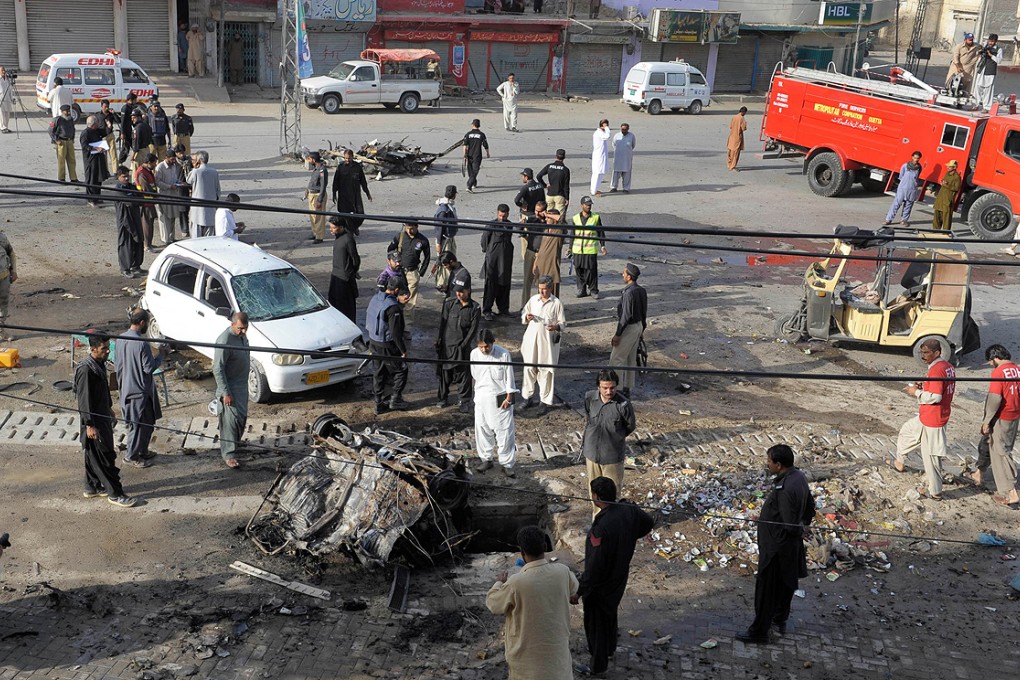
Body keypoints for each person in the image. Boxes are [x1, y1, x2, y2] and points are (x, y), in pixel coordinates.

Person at [572, 476, 653, 676]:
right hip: (619, 576)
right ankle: (609, 648)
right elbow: (648, 522)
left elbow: (593, 567)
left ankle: (597, 665)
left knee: (596, 624)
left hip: (601, 583)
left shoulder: (601, 527)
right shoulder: (629, 511)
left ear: (596, 497)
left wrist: (579, 591)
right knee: (610, 612)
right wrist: (629, 537)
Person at [735, 445, 815, 644]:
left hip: (777, 548)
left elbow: (788, 525)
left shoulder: (785, 488)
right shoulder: (799, 477)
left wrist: (800, 529)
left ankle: (759, 631)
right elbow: (810, 507)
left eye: (769, 461)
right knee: (785, 584)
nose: (767, 464)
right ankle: (779, 620)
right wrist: (804, 524)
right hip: (787, 546)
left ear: (779, 465)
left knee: (767, 590)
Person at [485, 525, 578, 680]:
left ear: (522, 553)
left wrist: (499, 584)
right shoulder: (562, 571)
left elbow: (493, 604)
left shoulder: (516, 583)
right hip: (557, 661)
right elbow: (574, 589)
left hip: (526, 664)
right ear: (544, 547)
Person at [74, 333, 137, 507]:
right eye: (104, 349)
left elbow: (103, 391)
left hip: (102, 416)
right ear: (92, 349)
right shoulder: (86, 370)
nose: (107, 352)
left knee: (92, 454)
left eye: (108, 348)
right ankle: (115, 493)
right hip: (93, 421)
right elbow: (84, 400)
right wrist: (90, 424)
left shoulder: (99, 364)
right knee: (104, 456)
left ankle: (92, 486)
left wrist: (109, 408)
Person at [891, 338, 956, 500]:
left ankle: (936, 492)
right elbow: (939, 387)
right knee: (907, 432)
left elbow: (936, 396)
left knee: (931, 457)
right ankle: (899, 461)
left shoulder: (937, 370)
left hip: (934, 419)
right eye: (922, 352)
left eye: (926, 352)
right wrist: (924, 385)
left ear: (937, 353)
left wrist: (916, 392)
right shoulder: (947, 367)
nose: (923, 355)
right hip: (927, 416)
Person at [114, 307, 164, 468]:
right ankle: (131, 457)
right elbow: (149, 368)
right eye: (147, 323)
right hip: (139, 392)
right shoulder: (142, 343)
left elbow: (117, 365)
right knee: (137, 426)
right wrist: (161, 354)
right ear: (142, 323)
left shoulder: (120, 339)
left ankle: (142, 450)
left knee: (148, 422)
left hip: (128, 389)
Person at [470, 329, 518, 476]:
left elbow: (510, 378)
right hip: (481, 398)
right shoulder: (474, 354)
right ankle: (486, 459)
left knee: (504, 432)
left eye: (487, 346)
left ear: (492, 343)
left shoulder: (503, 354)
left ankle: (507, 463)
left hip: (500, 399)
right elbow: (475, 377)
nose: (484, 349)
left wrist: (509, 398)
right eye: (481, 346)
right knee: (482, 429)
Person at [980, 344, 1020, 507]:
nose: (990, 364)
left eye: (990, 361)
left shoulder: (998, 372)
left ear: (995, 358)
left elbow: (995, 399)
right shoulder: (1017, 369)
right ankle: (979, 473)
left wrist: (986, 421)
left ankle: (1011, 492)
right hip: (1015, 416)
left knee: (1001, 452)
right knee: (994, 446)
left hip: (1002, 417)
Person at [519, 276, 565, 416]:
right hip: (531, 341)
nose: (542, 292)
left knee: (545, 371)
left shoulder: (556, 303)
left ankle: (544, 401)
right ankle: (527, 397)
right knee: (529, 368)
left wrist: (555, 326)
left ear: (550, 289)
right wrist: (526, 317)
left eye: (544, 289)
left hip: (547, 344)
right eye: (540, 289)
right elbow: (524, 312)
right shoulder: (533, 300)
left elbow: (562, 323)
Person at [366, 275, 410, 413]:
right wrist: (403, 350)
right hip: (386, 344)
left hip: (373, 341)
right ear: (396, 290)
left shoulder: (375, 298)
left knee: (379, 372)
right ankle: (395, 400)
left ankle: (378, 402)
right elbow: (395, 333)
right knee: (401, 370)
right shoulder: (393, 308)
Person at [212, 311, 249, 469]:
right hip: (230, 386)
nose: (244, 331)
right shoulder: (224, 340)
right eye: (240, 328)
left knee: (241, 418)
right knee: (230, 421)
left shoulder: (242, 336)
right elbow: (217, 369)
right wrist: (225, 392)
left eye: (246, 328)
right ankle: (229, 454)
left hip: (242, 386)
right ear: (232, 324)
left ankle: (235, 444)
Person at [436, 283, 480, 411]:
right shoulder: (449, 303)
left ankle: (464, 400)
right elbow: (443, 323)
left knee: (463, 375)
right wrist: (439, 340)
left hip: (462, 348)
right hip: (447, 346)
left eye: (462, 292)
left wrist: (463, 346)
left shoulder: (475, 308)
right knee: (445, 374)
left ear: (468, 291)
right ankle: (442, 398)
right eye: (457, 292)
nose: (459, 294)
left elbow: (473, 330)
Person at [610, 263, 647, 397]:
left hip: (628, 328)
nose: (622, 275)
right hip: (638, 327)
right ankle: (627, 387)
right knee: (631, 359)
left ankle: (617, 389)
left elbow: (625, 316)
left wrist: (617, 335)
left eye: (624, 273)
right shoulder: (641, 290)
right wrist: (642, 330)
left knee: (616, 359)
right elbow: (644, 312)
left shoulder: (628, 293)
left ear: (629, 276)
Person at [566, 196, 606, 299]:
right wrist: (570, 248)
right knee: (579, 270)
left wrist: (603, 246)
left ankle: (593, 290)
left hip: (590, 250)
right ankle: (581, 289)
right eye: (587, 205)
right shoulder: (575, 218)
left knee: (591, 271)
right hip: (577, 250)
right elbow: (572, 234)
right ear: (581, 205)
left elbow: (601, 233)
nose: (588, 207)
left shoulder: (595, 217)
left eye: (590, 205)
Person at [481, 204, 515, 321]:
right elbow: (484, 241)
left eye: (504, 216)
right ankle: (487, 310)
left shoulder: (510, 225)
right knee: (491, 285)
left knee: (504, 284)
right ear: (497, 213)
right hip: (493, 261)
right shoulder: (491, 225)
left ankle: (503, 309)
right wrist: (489, 253)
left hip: (505, 260)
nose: (502, 218)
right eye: (500, 215)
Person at [388, 221, 430, 315]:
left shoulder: (423, 240)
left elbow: (427, 257)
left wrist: (421, 272)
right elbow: (390, 250)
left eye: (411, 228)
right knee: (395, 295)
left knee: (409, 301)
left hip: (412, 272)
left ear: (417, 227)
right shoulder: (400, 237)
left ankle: (407, 325)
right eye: (407, 228)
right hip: (399, 272)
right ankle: (395, 317)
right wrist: (393, 265)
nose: (409, 230)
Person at [331, 148, 371, 235]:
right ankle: (349, 230)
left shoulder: (357, 167)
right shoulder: (340, 167)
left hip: (355, 194)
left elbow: (363, 181)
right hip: (343, 195)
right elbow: (335, 181)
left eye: (349, 158)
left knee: (360, 214)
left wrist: (367, 193)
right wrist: (334, 194)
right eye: (345, 158)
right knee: (344, 215)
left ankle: (354, 227)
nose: (347, 160)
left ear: (352, 157)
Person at [328, 214, 360, 322]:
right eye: (330, 227)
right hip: (336, 276)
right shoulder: (338, 238)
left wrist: (353, 271)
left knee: (347, 307)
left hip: (345, 279)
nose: (331, 230)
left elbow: (355, 259)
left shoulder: (348, 239)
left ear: (341, 227)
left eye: (333, 228)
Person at [114, 166, 144, 278]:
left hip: (135, 218)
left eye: (127, 176)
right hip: (124, 221)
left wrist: (137, 199)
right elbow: (130, 202)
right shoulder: (117, 190)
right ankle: (125, 268)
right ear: (118, 177)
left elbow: (141, 199)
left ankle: (136, 265)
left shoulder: (132, 187)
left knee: (138, 240)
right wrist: (136, 200)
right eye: (124, 176)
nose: (126, 178)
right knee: (125, 244)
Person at [883, 151, 923, 225]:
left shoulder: (919, 167)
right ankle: (888, 219)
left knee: (908, 205)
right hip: (903, 188)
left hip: (912, 189)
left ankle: (904, 220)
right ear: (912, 157)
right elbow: (901, 176)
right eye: (915, 158)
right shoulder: (905, 166)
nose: (916, 160)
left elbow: (917, 177)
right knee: (896, 204)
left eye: (918, 158)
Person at [519, 201, 547, 307]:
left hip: (543, 254)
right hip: (531, 252)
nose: (537, 213)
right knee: (527, 280)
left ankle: (542, 305)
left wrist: (546, 216)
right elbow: (519, 228)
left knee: (542, 281)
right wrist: (525, 235)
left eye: (539, 211)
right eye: (536, 210)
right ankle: (524, 306)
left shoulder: (549, 222)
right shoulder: (531, 219)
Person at [154, 150, 185, 244]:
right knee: (165, 218)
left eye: (174, 159)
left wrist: (179, 183)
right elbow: (158, 182)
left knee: (172, 217)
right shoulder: (160, 167)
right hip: (164, 195)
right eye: (172, 159)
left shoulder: (174, 166)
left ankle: (172, 237)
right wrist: (169, 186)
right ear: (166, 158)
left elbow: (175, 179)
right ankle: (166, 239)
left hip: (174, 195)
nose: (174, 161)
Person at [533, 209, 565, 297]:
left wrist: (547, 214)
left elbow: (561, 219)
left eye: (548, 217)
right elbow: (541, 248)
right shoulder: (546, 231)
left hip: (552, 266)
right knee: (541, 290)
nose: (546, 219)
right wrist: (536, 263)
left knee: (552, 292)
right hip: (541, 266)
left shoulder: (559, 231)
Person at [188, 150, 220, 237]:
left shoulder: (196, 172)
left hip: (198, 208)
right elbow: (218, 190)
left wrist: (194, 167)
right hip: (211, 207)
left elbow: (188, 180)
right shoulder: (214, 171)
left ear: (199, 160)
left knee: (196, 234)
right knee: (209, 235)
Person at [79, 115, 109, 207]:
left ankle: (97, 197)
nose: (98, 125)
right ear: (93, 124)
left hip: (98, 158)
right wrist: (95, 148)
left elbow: (104, 132)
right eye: (96, 123)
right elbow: (84, 146)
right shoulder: (85, 133)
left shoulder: (96, 131)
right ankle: (90, 199)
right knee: (91, 179)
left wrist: (109, 126)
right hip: (90, 160)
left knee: (98, 178)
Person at [434, 185, 459, 292]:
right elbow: (439, 228)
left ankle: (446, 283)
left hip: (449, 238)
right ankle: (442, 284)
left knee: (449, 260)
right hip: (444, 240)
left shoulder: (448, 207)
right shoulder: (443, 210)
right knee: (445, 261)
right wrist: (439, 243)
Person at [537, 149, 570, 222]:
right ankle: (558, 231)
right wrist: (567, 198)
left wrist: (545, 185)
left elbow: (538, 176)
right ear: (564, 157)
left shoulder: (549, 166)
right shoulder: (565, 170)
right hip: (559, 195)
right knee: (559, 217)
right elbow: (566, 186)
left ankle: (549, 230)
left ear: (556, 156)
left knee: (548, 216)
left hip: (550, 194)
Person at [134, 153, 158, 251]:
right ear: (148, 163)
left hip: (150, 201)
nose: (155, 165)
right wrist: (155, 195)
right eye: (154, 163)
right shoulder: (142, 173)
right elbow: (146, 188)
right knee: (146, 224)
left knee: (150, 223)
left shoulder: (147, 171)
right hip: (146, 202)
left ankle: (149, 243)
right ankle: (147, 245)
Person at [50, 104, 78, 182]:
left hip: (69, 141)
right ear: (62, 111)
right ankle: (61, 178)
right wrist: (56, 140)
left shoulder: (70, 119)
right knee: (61, 160)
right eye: (66, 111)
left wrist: (72, 139)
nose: (68, 112)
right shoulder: (57, 120)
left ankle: (73, 178)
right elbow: (50, 130)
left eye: (69, 110)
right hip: (61, 142)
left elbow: (73, 129)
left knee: (72, 160)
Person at [304, 151, 328, 244]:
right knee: (313, 216)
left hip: (318, 195)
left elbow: (323, 185)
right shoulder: (315, 169)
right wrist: (307, 190)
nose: (308, 161)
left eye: (309, 159)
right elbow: (312, 181)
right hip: (312, 194)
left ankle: (319, 236)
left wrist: (320, 199)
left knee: (319, 217)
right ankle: (315, 233)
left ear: (313, 159)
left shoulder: (322, 170)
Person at [973, 34, 1001, 110]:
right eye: (990, 41)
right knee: (978, 88)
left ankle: (986, 107)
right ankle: (975, 105)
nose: (990, 43)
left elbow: (999, 61)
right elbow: (979, 54)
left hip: (990, 71)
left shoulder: (999, 49)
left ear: (995, 41)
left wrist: (991, 55)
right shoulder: (985, 46)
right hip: (982, 70)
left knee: (988, 90)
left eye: (992, 41)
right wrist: (980, 52)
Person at [932, 160, 961, 231]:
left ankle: (946, 232)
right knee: (937, 214)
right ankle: (935, 230)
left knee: (946, 216)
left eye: (949, 166)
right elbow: (945, 182)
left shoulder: (957, 177)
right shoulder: (947, 173)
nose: (947, 168)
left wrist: (947, 185)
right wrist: (943, 182)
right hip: (941, 196)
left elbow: (956, 188)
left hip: (948, 198)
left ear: (954, 167)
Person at [462, 119, 490, 192]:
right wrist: (487, 153)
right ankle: (470, 185)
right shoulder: (482, 134)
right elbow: (485, 145)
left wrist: (464, 155)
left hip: (469, 154)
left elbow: (465, 145)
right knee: (475, 171)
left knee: (470, 170)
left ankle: (472, 183)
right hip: (477, 155)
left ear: (473, 125)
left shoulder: (468, 134)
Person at [0, 229, 18, 341]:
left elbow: (11, 253)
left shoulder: (1, 237)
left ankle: (1, 330)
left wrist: (14, 271)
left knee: (3, 304)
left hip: (4, 277)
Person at [174, 144, 193, 237]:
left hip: (190, 187)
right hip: (180, 189)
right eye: (179, 153)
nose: (181, 155)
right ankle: (184, 228)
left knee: (191, 208)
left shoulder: (189, 161)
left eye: (182, 153)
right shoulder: (174, 163)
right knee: (182, 210)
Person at [610, 123, 636, 191]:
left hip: (627, 158)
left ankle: (626, 188)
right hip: (618, 158)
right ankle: (613, 187)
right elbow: (613, 144)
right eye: (622, 129)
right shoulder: (617, 135)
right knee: (615, 173)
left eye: (625, 129)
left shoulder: (631, 136)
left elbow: (633, 145)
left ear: (628, 129)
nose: (624, 130)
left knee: (627, 174)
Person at [97, 99, 120, 173]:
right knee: (104, 156)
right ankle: (105, 171)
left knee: (113, 155)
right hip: (102, 137)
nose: (106, 108)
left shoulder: (110, 114)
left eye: (107, 106)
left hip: (110, 135)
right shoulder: (98, 115)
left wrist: (114, 113)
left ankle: (115, 171)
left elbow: (119, 120)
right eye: (105, 107)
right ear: (101, 106)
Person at [590, 119, 611, 196]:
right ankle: (593, 191)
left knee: (600, 173)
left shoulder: (601, 132)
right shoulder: (599, 133)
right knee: (597, 173)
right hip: (598, 156)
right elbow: (607, 136)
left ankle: (595, 189)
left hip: (601, 155)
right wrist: (606, 128)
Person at [726, 107, 747, 172]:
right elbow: (744, 128)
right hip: (737, 137)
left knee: (730, 151)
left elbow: (730, 126)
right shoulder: (742, 118)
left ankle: (729, 164)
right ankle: (732, 167)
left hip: (731, 136)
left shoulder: (734, 117)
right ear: (743, 112)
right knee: (735, 153)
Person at [0, 66, 13, 134]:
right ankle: (2, 127)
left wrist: (12, 98)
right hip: (1, 98)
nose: (3, 72)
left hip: (8, 98)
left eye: (4, 70)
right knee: (2, 114)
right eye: (2, 70)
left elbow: (10, 89)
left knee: (7, 114)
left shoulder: (8, 79)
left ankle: (6, 127)